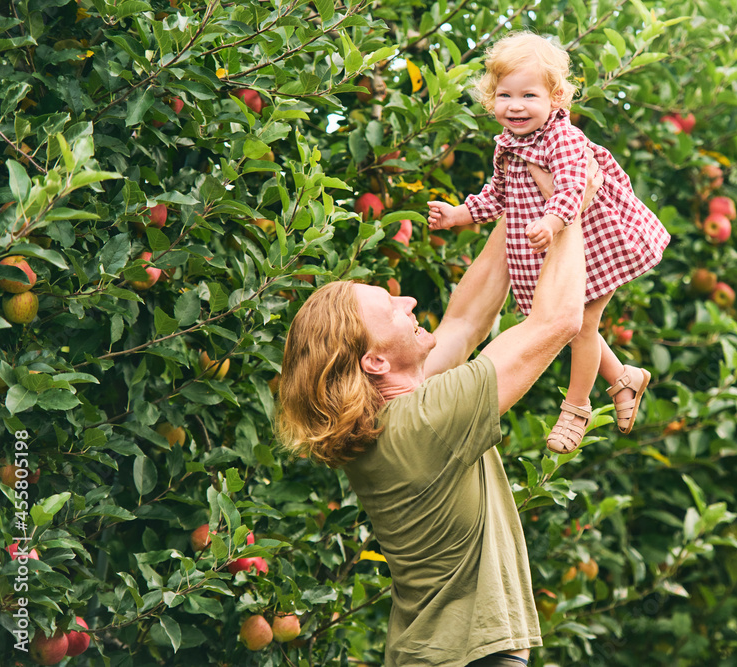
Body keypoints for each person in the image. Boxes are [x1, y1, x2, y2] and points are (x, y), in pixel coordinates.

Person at [277, 157, 602, 666]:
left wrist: (525, 180)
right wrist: (571, 208)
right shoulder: (425, 422)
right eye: (391, 307)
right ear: (375, 360)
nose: (407, 301)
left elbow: (469, 319)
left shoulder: (396, 416)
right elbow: (558, 320)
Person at [427, 31, 670, 455]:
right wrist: (458, 215)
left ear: (556, 99)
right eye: (505, 95)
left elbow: (574, 185)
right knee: (581, 325)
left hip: (596, 239)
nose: (515, 106)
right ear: (491, 99)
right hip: (560, 245)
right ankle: (623, 378)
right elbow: (497, 196)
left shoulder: (562, 137)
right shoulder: (509, 144)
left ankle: (576, 408)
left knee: (582, 325)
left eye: (529, 95)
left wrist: (554, 219)